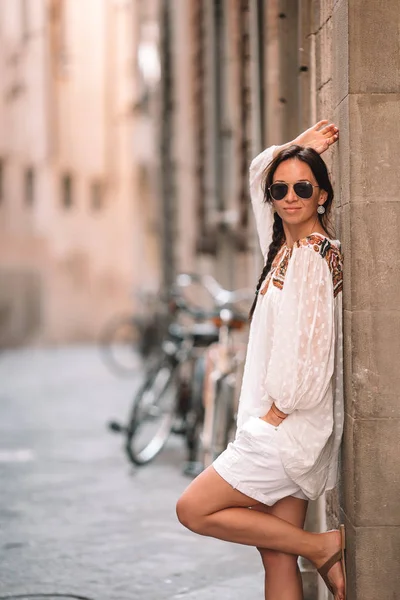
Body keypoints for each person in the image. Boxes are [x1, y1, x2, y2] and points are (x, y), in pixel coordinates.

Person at [176, 121, 347, 600]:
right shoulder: (285, 249)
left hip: (285, 431)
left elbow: (310, 352)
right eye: (281, 189)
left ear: (323, 196)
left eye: (303, 187)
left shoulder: (312, 258)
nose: (289, 196)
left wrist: (276, 414)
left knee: (193, 509)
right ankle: (314, 547)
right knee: (276, 555)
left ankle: (323, 545)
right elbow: (256, 174)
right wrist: (298, 147)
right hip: (283, 427)